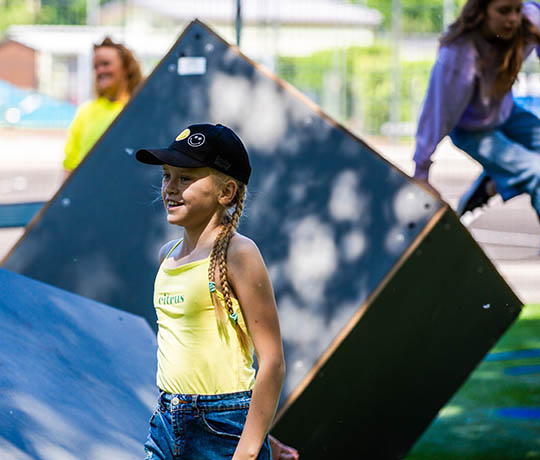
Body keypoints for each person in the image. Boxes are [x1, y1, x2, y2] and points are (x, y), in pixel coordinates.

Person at [136, 123, 294, 460]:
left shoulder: (239, 254)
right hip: (165, 421)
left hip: (222, 427)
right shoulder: (167, 255)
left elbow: (272, 362)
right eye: (167, 176)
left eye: (186, 178)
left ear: (227, 192)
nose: (170, 188)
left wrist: (251, 448)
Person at [413, 0, 540, 229]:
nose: (512, 18)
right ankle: (499, 178)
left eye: (516, 10)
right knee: (536, 173)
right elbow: (437, 114)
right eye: (503, 11)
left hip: (506, 112)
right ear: (482, 12)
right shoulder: (459, 55)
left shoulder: (528, 21)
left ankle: (492, 183)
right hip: (472, 129)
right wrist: (421, 172)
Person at [63, 37, 143, 180]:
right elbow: (70, 165)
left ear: (126, 67)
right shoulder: (86, 111)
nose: (100, 71)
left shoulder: (138, 108)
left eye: (106, 64)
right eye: (96, 66)